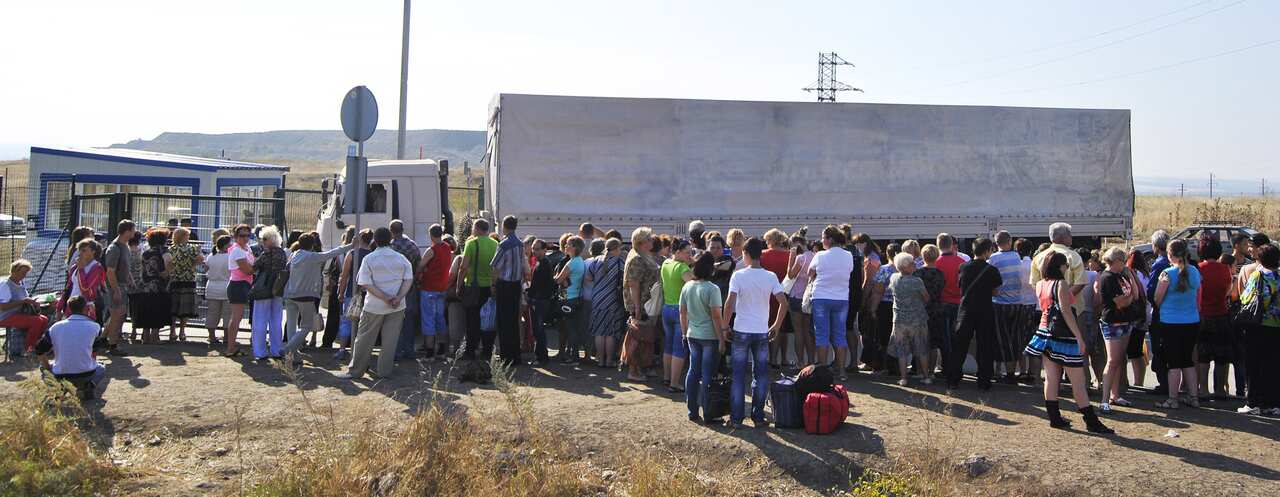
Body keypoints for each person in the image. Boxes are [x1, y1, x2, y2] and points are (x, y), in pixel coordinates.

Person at [1024, 252, 1113, 434]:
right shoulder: (1061, 284)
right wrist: (1079, 337)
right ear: (1060, 267)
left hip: (1044, 332)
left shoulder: (1040, 284)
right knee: (1078, 381)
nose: (1067, 268)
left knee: (1051, 378)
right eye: (1065, 265)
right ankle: (1091, 421)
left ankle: (1054, 417)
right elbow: (1066, 311)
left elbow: (1046, 308)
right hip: (1064, 336)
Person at [723, 237, 788, 428]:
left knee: (738, 376)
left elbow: (729, 303)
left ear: (746, 254)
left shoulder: (739, 275)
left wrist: (725, 326)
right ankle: (758, 416)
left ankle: (736, 418)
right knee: (760, 375)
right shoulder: (771, 277)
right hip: (761, 331)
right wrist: (776, 325)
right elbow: (783, 303)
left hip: (741, 329)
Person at [339, 227, 414, 379]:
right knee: (390, 341)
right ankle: (384, 371)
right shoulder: (401, 259)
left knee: (364, 339)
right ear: (390, 239)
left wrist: (384, 297)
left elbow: (365, 282)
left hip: (374, 305)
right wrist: (398, 297)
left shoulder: (370, 259)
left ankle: (356, 371)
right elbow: (408, 279)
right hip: (397, 306)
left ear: (375, 240)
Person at [280, 233, 352, 363]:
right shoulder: (312, 257)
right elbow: (333, 252)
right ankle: (288, 349)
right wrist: (352, 245)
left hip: (290, 295)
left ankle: (293, 355)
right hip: (305, 295)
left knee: (291, 325)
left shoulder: (294, 255)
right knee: (306, 326)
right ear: (312, 245)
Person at [947, 238, 1002, 391]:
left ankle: (953, 379)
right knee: (985, 345)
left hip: (965, 309)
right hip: (985, 310)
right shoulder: (992, 270)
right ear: (987, 251)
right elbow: (996, 291)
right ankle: (984, 381)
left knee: (960, 344)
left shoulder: (963, 267)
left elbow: (960, 286)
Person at [1153, 239, 1202, 409]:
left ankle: (1173, 399)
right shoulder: (1195, 271)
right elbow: (1198, 297)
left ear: (1170, 255)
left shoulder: (1166, 274)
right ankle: (1193, 397)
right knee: (1187, 361)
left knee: (1173, 363)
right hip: (1192, 321)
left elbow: (1157, 299)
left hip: (1171, 322)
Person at [681, 252, 726, 423]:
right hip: (710, 336)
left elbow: (682, 312)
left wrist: (684, 333)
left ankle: (692, 410)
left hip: (693, 334)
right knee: (707, 374)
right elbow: (716, 316)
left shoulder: (687, 286)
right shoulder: (712, 289)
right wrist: (721, 339)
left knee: (693, 372)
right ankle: (709, 412)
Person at [34, 296, 106, 400]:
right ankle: (88, 386)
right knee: (101, 368)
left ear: (69, 309)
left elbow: (39, 349)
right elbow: (94, 349)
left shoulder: (55, 327)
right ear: (86, 308)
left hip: (60, 374)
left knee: (43, 369)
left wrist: (47, 367)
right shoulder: (95, 326)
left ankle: (59, 388)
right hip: (85, 374)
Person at [1237, 243, 1280, 416]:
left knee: (1254, 365)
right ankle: (1274, 403)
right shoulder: (1278, 277)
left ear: (1261, 259)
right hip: (1277, 326)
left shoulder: (1258, 275)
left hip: (1258, 326)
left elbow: (1245, 298)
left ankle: (1254, 402)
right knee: (1274, 365)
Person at [1096, 247, 1140, 413]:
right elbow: (1120, 302)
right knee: (1112, 360)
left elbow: (1135, 295)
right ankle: (1104, 399)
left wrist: (1131, 276)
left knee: (1120, 359)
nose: (1125, 264)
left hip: (1125, 321)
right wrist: (1127, 299)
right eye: (1123, 261)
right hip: (1113, 322)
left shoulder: (1122, 275)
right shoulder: (1107, 277)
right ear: (1116, 261)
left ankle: (1115, 394)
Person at [807, 226, 853, 379]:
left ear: (830, 239)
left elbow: (809, 273)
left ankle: (822, 372)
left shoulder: (820, 255)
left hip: (821, 297)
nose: (821, 240)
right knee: (840, 334)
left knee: (822, 335)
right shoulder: (848, 255)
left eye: (823, 237)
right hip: (841, 298)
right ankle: (842, 371)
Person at [1194, 236, 1233, 400]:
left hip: (1203, 315)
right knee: (1221, 356)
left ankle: (1203, 389)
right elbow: (1228, 291)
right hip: (1221, 314)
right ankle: (1220, 390)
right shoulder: (1225, 269)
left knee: (1203, 355)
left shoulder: (1198, 269)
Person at [491, 215, 531, 368]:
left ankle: (506, 356)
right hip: (516, 285)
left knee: (503, 321)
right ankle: (515, 355)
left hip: (505, 284)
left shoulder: (504, 244)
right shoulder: (520, 244)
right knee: (514, 320)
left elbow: (495, 266)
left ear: (504, 226)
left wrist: (493, 285)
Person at [989, 231, 1029, 383]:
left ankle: (998, 371)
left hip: (999, 303)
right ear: (1010, 241)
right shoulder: (1016, 257)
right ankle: (1012, 373)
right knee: (1015, 338)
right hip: (1017, 302)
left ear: (996, 243)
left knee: (1001, 338)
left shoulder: (993, 259)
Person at [456, 219, 499, 361]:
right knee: (488, 319)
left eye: (474, 228)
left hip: (473, 287)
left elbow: (463, 267)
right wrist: (494, 285)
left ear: (478, 229)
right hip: (489, 288)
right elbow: (496, 268)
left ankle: (470, 351)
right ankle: (487, 350)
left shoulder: (471, 243)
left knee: (472, 320)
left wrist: (458, 285)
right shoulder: (495, 244)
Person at [622, 227, 661, 382]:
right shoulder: (637, 258)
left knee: (645, 338)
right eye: (649, 239)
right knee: (637, 339)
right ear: (642, 242)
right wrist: (637, 307)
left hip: (647, 303)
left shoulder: (643, 256)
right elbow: (633, 284)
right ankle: (632, 370)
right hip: (642, 305)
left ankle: (641, 367)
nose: (652, 241)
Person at [888, 252, 932, 386]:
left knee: (902, 350)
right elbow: (926, 298)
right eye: (912, 263)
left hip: (899, 320)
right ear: (906, 267)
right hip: (917, 319)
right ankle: (926, 376)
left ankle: (903, 378)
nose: (914, 265)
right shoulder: (917, 281)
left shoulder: (894, 278)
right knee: (922, 348)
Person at [660, 238, 695, 390]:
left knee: (668, 346)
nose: (690, 255)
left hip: (666, 308)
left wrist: (690, 262)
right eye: (687, 253)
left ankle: (667, 378)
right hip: (680, 311)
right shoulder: (682, 268)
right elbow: (694, 285)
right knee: (679, 347)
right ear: (678, 252)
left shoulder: (666, 263)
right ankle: (674, 383)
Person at [334, 229, 372, 362]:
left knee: (347, 321)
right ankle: (360, 351)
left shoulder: (351, 254)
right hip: (368, 294)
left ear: (360, 238)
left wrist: (340, 292)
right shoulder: (372, 255)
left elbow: (344, 276)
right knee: (364, 323)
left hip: (351, 292)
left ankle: (342, 349)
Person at [386, 220, 422, 361]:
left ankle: (396, 351)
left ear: (391, 231)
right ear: (403, 229)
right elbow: (419, 263)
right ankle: (409, 350)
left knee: (395, 319)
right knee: (409, 319)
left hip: (394, 286)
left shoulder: (390, 247)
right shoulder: (412, 245)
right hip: (409, 285)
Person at [587, 237, 626, 368]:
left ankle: (600, 360)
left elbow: (588, 278)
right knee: (609, 333)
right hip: (612, 299)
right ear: (616, 249)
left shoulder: (596, 260)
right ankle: (609, 361)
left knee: (599, 332)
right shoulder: (620, 262)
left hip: (597, 298)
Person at [416, 224, 452, 360]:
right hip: (442, 288)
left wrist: (417, 275)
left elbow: (421, 265)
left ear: (430, 235)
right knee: (440, 319)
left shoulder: (431, 250)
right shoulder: (447, 248)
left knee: (428, 320)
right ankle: (442, 350)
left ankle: (430, 352)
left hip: (429, 288)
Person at [102, 219, 137, 356]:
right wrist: (116, 289)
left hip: (122, 285)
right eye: (133, 230)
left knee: (117, 315)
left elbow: (125, 267)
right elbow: (110, 271)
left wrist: (130, 279)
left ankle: (103, 339)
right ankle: (113, 345)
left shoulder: (125, 246)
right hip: (115, 286)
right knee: (117, 315)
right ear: (127, 231)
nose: (134, 232)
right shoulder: (114, 248)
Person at [0, 260, 50, 355]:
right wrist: (23, 301)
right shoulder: (5, 285)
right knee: (36, 321)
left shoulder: (21, 283)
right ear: (14, 271)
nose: (24, 275)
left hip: (17, 314)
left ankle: (37, 345)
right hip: (4, 316)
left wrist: (33, 302)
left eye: (26, 273)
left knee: (44, 319)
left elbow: (25, 298)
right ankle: (28, 349)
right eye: (22, 273)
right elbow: (2, 307)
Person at [1145, 230, 1173, 395]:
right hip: (1175, 313)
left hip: (1161, 312)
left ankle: (1164, 384)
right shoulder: (1177, 264)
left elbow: (1151, 291)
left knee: (1159, 349)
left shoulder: (1159, 264)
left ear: (1155, 246)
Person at [934, 233, 966, 375]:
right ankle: (956, 367)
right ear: (952, 245)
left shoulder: (936, 263)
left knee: (944, 338)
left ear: (938, 245)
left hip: (942, 304)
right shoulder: (962, 262)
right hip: (959, 304)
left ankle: (946, 367)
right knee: (957, 338)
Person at [135, 228, 173, 345]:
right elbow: (166, 271)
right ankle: (154, 337)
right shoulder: (165, 253)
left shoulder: (145, 252)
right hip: (158, 286)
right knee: (157, 310)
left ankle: (145, 337)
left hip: (144, 285)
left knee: (146, 310)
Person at [760, 229, 791, 369]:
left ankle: (769, 358)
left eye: (767, 241)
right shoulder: (790, 255)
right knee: (781, 328)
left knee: (767, 326)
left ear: (771, 241)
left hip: (766, 294)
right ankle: (779, 358)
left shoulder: (762, 255)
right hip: (784, 294)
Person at [866, 243, 899, 374]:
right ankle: (898, 365)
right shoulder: (906, 268)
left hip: (885, 306)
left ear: (887, 254)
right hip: (900, 306)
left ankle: (886, 366)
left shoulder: (884, 270)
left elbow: (878, 291)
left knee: (884, 337)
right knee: (898, 337)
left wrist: (873, 309)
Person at [224, 224, 256, 357]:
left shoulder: (247, 248)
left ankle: (232, 346)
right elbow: (247, 269)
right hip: (238, 285)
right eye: (242, 236)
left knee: (238, 317)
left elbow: (251, 266)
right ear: (236, 237)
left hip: (244, 284)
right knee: (236, 317)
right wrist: (258, 267)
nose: (246, 238)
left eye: (248, 235)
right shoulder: (237, 250)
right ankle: (230, 348)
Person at [167, 227, 204, 342]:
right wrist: (191, 264)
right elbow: (200, 259)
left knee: (173, 307)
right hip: (188, 280)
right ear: (183, 237)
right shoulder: (192, 249)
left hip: (174, 280)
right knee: (186, 308)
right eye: (187, 235)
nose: (188, 238)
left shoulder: (170, 249)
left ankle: (172, 331)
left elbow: (168, 264)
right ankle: (182, 332)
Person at [916, 245, 946, 378]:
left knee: (920, 342)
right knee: (933, 343)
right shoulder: (940, 274)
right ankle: (931, 371)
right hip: (936, 309)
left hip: (921, 309)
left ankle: (920, 371)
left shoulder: (918, 274)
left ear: (923, 256)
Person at [58, 239, 105, 323]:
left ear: (93, 251)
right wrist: (59, 307)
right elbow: (68, 287)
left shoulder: (97, 268)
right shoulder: (74, 267)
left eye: (84, 250)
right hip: (71, 305)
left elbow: (86, 289)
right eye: (79, 250)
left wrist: (81, 270)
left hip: (86, 308)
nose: (80, 253)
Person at [786, 233, 816, 367]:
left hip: (796, 297)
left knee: (798, 332)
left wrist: (791, 258)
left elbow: (790, 274)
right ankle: (811, 361)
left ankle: (800, 362)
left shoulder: (800, 258)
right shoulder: (815, 257)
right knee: (809, 331)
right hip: (810, 296)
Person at [1123, 249, 1152, 388]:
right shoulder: (1146, 274)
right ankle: (1138, 381)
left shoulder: (1133, 274)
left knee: (1133, 352)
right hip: (1145, 313)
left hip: (1136, 315)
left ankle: (1137, 382)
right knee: (1138, 350)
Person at [1015, 238, 1041, 383]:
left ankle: (1022, 370)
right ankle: (1034, 373)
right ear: (1030, 250)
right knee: (1034, 339)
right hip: (1033, 306)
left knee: (1020, 339)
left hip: (1019, 304)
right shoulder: (1034, 264)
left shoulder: (1016, 265)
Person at [526, 239, 556, 366]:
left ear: (545, 250)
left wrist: (530, 294)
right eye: (533, 248)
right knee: (537, 330)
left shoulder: (544, 264)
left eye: (537, 249)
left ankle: (542, 357)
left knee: (538, 329)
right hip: (539, 299)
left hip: (540, 300)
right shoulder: (541, 263)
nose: (535, 251)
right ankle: (540, 356)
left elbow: (540, 285)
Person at [1078, 249, 1105, 386]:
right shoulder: (1094, 275)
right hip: (1091, 313)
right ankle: (1100, 380)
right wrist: (1096, 312)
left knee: (1081, 352)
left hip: (1079, 314)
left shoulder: (1074, 274)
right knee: (1095, 351)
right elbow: (1097, 297)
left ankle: (1085, 382)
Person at [204, 235, 232, 348]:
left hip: (211, 287)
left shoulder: (211, 256)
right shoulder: (230, 257)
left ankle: (211, 336)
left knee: (212, 313)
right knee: (227, 314)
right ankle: (226, 337)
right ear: (226, 245)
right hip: (226, 287)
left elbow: (206, 269)